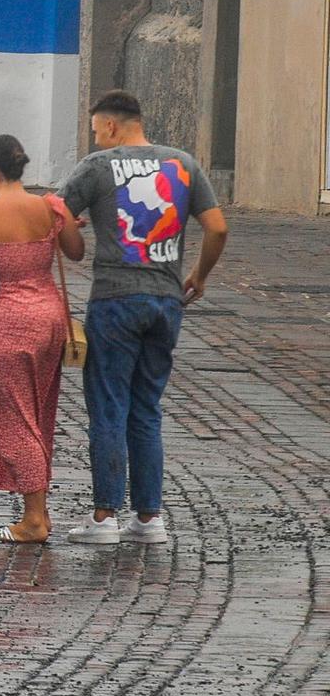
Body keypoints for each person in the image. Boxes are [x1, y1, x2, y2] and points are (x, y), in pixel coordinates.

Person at [56, 89, 228, 545]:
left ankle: (104, 516)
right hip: (166, 301)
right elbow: (217, 226)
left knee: (108, 406)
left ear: (110, 126)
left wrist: (76, 230)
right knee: (146, 409)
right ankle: (149, 519)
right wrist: (199, 275)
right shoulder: (183, 164)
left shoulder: (97, 167)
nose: (96, 140)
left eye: (96, 131)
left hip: (115, 299)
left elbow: (55, 217)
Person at [0, 135, 83, 544]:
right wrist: (67, 219)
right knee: (39, 414)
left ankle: (34, 520)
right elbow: (75, 252)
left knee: (12, 418)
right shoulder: (49, 207)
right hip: (51, 319)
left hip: (10, 326)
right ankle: (40, 511)